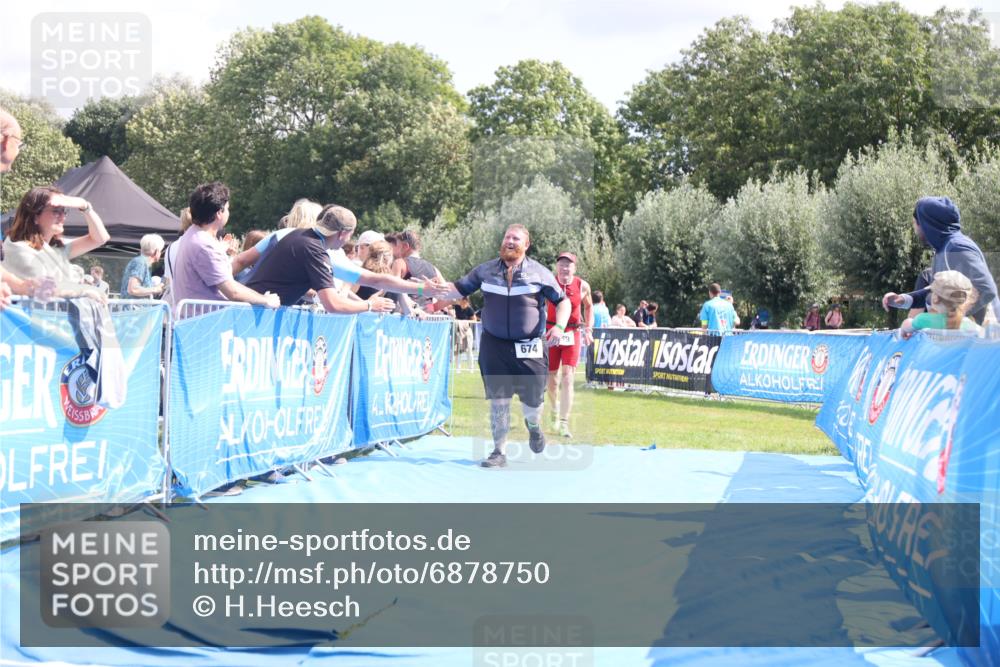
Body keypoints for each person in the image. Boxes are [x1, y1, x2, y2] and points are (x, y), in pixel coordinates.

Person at [431, 224, 570, 468]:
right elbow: (457, 289)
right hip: (494, 345)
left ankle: (534, 427)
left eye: (516, 238)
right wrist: (429, 295)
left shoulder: (539, 273)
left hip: (529, 346)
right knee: (499, 400)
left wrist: (559, 326)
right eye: (507, 237)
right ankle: (499, 452)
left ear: (526, 245)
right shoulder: (485, 271)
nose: (510, 241)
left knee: (532, 405)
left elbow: (562, 301)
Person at [246, 205, 435, 314]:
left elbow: (373, 279)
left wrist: (420, 288)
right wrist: (370, 305)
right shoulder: (315, 251)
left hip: (254, 310)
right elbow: (333, 305)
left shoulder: (298, 236)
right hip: (256, 315)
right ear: (343, 233)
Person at [883, 197, 999, 325]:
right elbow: (939, 291)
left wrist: (951, 317)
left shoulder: (957, 248)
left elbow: (986, 290)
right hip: (962, 333)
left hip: (976, 334)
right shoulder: (944, 249)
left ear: (926, 224)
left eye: (915, 223)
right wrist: (905, 299)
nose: (914, 228)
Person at [167, 182, 279, 310]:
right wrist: (265, 299)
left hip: (197, 318)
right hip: (207, 320)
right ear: (219, 212)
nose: (229, 213)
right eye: (228, 208)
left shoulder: (192, 235)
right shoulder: (204, 244)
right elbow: (233, 292)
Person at [2, 186, 109, 293]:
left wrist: (84, 206)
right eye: (56, 211)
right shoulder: (18, 249)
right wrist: (84, 290)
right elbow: (44, 288)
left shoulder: (54, 248)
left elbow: (100, 238)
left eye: (64, 211)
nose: (63, 217)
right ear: (35, 216)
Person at [545, 252, 593, 438]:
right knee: (552, 379)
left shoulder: (582, 285)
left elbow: (589, 306)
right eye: (562, 264)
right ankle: (554, 410)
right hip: (551, 332)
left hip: (572, 333)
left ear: (574, 267)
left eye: (568, 265)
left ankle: (564, 422)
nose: (565, 268)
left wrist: (588, 329)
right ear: (557, 267)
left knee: (568, 377)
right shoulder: (548, 283)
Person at [901, 270, 981, 337]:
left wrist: (903, 330)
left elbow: (906, 325)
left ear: (935, 299)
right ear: (965, 302)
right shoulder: (970, 326)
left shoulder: (923, 319)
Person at [388, 229, 443, 307]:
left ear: (405, 246)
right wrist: (431, 308)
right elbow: (446, 297)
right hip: (426, 314)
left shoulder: (400, 263)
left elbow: (393, 288)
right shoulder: (434, 269)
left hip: (406, 313)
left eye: (398, 246)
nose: (395, 250)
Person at [121, 234, 166, 299]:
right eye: (160, 251)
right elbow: (133, 289)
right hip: (135, 305)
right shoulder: (140, 262)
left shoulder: (141, 262)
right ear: (156, 252)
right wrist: (155, 289)